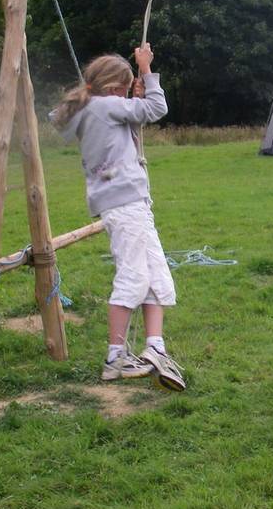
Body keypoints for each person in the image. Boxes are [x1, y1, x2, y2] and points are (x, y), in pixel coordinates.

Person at [51, 44, 185, 391]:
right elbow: (158, 107)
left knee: (156, 275)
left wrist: (133, 94)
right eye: (125, 89)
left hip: (128, 203)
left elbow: (129, 121)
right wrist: (146, 70)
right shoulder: (108, 105)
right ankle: (115, 357)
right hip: (125, 204)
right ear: (114, 87)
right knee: (134, 277)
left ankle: (155, 348)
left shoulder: (94, 108)